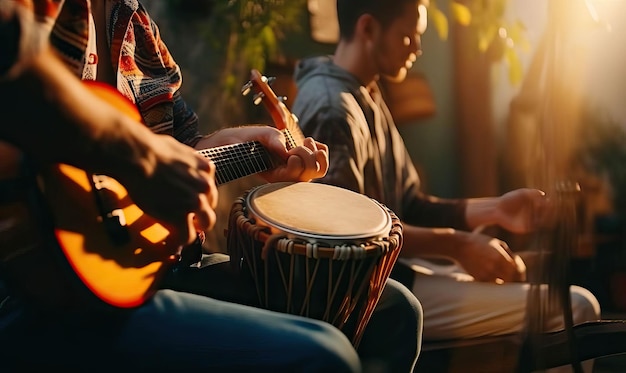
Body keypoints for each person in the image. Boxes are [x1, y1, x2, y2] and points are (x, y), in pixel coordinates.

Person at [0, 1, 422, 372]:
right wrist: (141, 159)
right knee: (322, 356)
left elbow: (180, 148)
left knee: (396, 310)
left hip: (156, 265)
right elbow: (12, 73)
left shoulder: (133, 18)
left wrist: (251, 145)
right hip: (38, 285)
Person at [291, 0, 600, 367]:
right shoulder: (332, 107)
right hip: (373, 293)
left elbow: (410, 204)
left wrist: (495, 209)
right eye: (409, 37)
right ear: (368, 29)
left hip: (404, 270)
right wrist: (458, 246)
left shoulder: (365, 94)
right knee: (574, 309)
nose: (418, 49)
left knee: (535, 290)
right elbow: (352, 234)